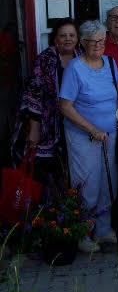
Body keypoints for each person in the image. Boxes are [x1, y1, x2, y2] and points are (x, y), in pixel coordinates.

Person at [59, 20, 118, 252]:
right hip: (83, 136)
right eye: (92, 41)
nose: (97, 45)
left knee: (109, 180)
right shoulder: (75, 68)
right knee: (87, 184)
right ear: (83, 43)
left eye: (101, 41)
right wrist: (92, 129)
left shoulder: (111, 63)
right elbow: (65, 106)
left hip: (110, 134)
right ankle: (82, 233)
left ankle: (103, 230)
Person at [11, 18, 81, 201]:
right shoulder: (45, 60)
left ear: (77, 38)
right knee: (47, 171)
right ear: (55, 40)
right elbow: (33, 94)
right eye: (62, 35)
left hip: (77, 122)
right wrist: (34, 128)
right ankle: (47, 212)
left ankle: (73, 209)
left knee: (73, 167)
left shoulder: (82, 57)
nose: (67, 39)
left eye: (71, 35)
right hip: (48, 124)